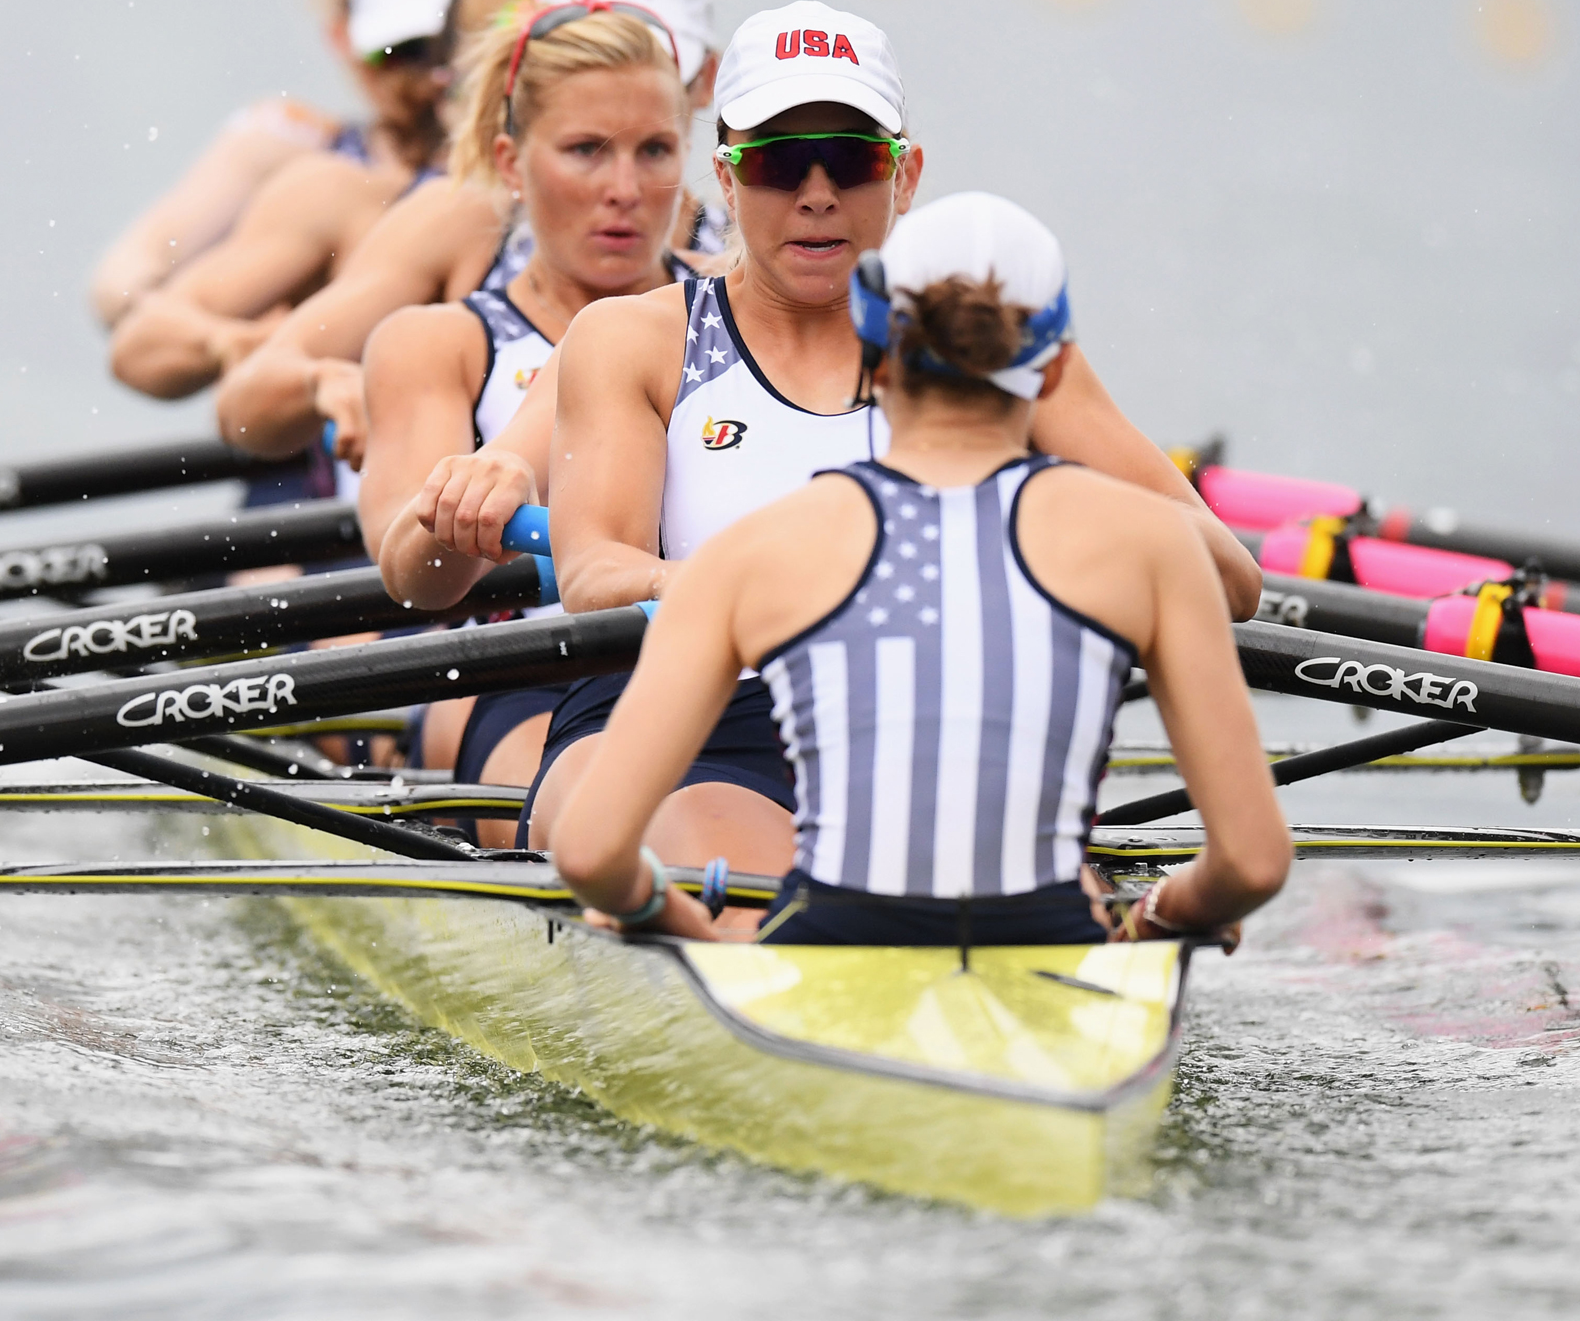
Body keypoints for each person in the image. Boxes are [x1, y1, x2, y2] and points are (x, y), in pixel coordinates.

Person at [523, 0, 1263, 874]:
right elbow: (594, 574)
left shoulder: (993, 349)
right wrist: (760, 594)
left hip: (912, 724)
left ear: (905, 176)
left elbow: (1229, 579)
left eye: (852, 160)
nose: (817, 193)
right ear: (725, 179)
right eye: (778, 163)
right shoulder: (635, 340)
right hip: (679, 714)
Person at [548, 193, 1292, 944]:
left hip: (827, 953)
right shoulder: (1156, 547)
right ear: (1058, 363)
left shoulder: (755, 553)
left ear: (872, 353)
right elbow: (1253, 865)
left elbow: (590, 850)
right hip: (1057, 948)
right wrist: (1158, 918)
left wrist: (666, 917)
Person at [356, 0, 693, 835]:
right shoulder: (442, 344)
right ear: (510, 163)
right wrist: (462, 505)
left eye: (655, 151)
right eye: (586, 151)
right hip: (520, 678)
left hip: (729, 673)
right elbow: (417, 589)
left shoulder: (742, 306)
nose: (625, 189)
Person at [215, 0, 728, 471]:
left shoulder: (748, 251)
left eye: (659, 60)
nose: (624, 188)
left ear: (704, 82)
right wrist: (319, 381)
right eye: (591, 57)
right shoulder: (463, 219)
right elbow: (242, 410)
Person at [105, 0, 492, 399]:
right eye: (403, 51)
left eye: (448, 51)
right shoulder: (309, 167)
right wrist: (232, 341)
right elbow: (120, 301)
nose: (429, 77)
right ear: (345, 40)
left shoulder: (577, 190)